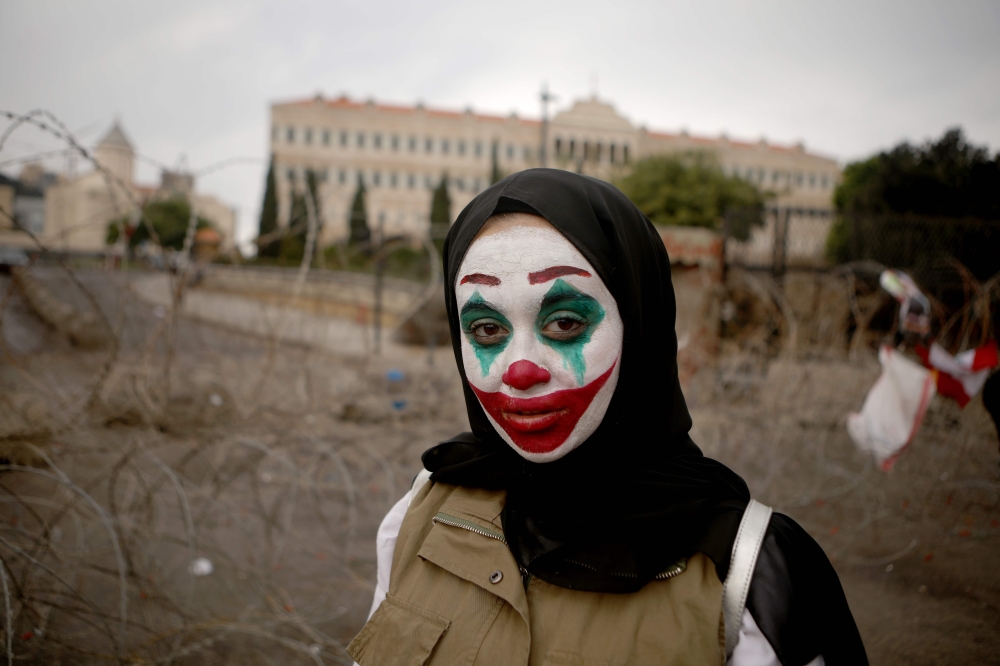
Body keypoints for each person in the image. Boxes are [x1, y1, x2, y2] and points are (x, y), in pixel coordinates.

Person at [348, 169, 867, 666]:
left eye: (566, 322)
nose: (520, 369)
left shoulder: (750, 575)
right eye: (486, 330)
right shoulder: (418, 515)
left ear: (638, 322)